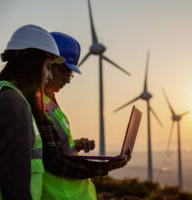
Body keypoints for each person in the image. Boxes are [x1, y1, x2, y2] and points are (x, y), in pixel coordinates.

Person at [38, 32, 130, 200]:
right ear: (48, 63)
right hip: (57, 195)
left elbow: (55, 147)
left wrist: (77, 145)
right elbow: (54, 161)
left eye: (71, 74)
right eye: (66, 71)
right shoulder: (36, 104)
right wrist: (105, 167)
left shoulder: (50, 102)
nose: (68, 79)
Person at [0, 24, 65, 200]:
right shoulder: (12, 102)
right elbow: (15, 179)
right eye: (48, 67)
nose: (50, 76)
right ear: (32, 64)